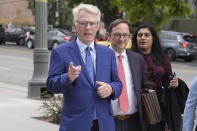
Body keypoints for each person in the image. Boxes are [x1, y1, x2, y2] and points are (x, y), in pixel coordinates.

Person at [47, 3, 122, 131]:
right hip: (75, 124)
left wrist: (111, 89)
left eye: (92, 23)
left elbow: (118, 84)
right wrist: (68, 77)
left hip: (104, 124)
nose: (88, 28)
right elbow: (51, 85)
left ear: (98, 26)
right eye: (83, 23)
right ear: (75, 25)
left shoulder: (108, 53)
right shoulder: (60, 52)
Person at [132, 23, 180, 131]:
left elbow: (168, 79)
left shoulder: (162, 57)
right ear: (136, 39)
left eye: (147, 35)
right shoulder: (129, 56)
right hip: (135, 101)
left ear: (153, 38)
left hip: (156, 102)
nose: (143, 38)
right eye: (140, 35)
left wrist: (175, 83)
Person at [107, 19, 150, 131]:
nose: (122, 39)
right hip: (107, 122)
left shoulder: (137, 58)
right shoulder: (99, 58)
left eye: (125, 35)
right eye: (117, 35)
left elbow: (145, 86)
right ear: (108, 36)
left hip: (134, 122)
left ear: (130, 36)